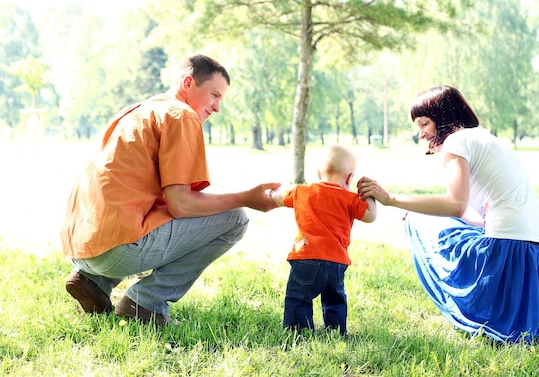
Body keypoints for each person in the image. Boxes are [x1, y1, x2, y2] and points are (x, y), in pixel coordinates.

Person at [61, 54, 280, 327]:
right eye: (214, 95)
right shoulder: (181, 115)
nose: (217, 107)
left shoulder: (138, 110)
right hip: (115, 250)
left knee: (155, 209)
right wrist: (248, 198)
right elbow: (182, 205)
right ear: (188, 82)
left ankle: (93, 282)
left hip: (79, 248)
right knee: (235, 219)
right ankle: (145, 302)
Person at [357, 85, 539, 343]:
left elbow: (454, 204)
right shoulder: (487, 138)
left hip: (508, 254)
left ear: (442, 118)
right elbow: (473, 216)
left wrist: (392, 199)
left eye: (424, 124)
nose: (421, 135)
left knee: (417, 219)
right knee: (435, 218)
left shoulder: (456, 141)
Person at [269, 144, 377, 335]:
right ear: (350, 178)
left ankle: (297, 331)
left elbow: (279, 197)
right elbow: (370, 216)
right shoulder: (349, 199)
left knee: (298, 297)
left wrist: (272, 192)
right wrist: (370, 195)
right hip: (336, 261)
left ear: (318, 173)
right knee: (335, 298)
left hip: (306, 257)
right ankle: (336, 332)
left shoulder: (301, 191)